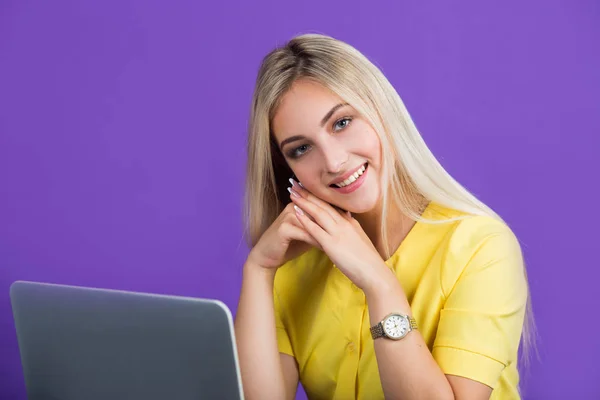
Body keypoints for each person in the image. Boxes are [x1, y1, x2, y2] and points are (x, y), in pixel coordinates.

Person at [234, 33, 534, 400]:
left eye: (342, 123)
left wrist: (379, 283)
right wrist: (259, 271)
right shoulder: (291, 263)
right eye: (301, 148)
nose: (333, 161)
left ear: (381, 111)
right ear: (288, 166)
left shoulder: (480, 247)